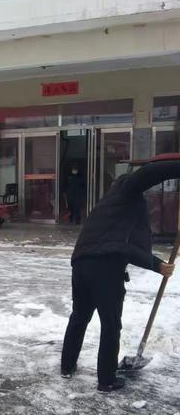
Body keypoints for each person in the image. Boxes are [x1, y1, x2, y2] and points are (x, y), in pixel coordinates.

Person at [60, 159, 180, 392]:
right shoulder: (126, 188)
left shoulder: (107, 206)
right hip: (105, 268)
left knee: (79, 317)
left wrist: (155, 264)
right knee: (111, 325)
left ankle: (67, 366)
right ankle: (106, 380)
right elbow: (149, 173)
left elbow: (122, 246)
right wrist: (156, 264)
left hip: (81, 264)